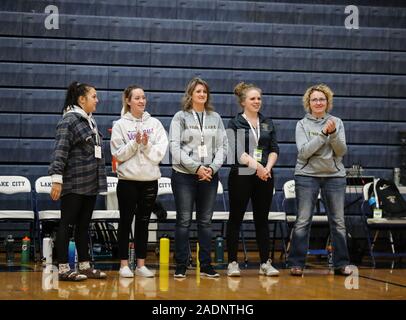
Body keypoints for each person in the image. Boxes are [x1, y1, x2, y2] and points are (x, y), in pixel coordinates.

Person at [287, 84, 352, 276]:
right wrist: (323, 134)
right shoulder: (302, 124)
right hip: (307, 176)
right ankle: (297, 263)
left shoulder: (337, 122)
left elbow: (341, 151)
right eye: (314, 99)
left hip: (335, 177)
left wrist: (332, 134)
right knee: (303, 220)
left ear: (327, 102)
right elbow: (304, 152)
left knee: (338, 221)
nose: (318, 102)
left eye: (322, 99)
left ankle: (341, 263)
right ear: (308, 102)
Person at [169, 78, 228, 278]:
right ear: (190, 95)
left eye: (204, 91)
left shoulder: (215, 118)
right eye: (198, 91)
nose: (202, 94)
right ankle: (182, 264)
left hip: (209, 175)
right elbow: (175, 148)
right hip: (184, 176)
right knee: (184, 221)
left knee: (205, 222)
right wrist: (196, 168)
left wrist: (211, 168)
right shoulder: (180, 117)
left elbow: (223, 147)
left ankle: (206, 264)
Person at [49, 81, 107, 281]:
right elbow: (60, 151)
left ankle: (84, 265)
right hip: (73, 183)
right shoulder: (69, 120)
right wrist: (57, 179)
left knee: (84, 225)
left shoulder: (89, 120)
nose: (97, 100)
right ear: (82, 99)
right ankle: (63, 268)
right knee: (67, 224)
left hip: (90, 183)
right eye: (94, 96)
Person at [110, 85, 168, 278]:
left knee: (144, 222)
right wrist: (135, 143)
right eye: (137, 98)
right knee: (126, 221)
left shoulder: (156, 124)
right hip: (128, 181)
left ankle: (141, 264)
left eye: (143, 97)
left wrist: (146, 143)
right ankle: (124, 264)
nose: (142, 101)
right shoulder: (119, 125)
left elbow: (159, 154)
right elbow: (118, 155)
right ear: (128, 101)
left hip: (149, 180)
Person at [226, 82, 280, 277]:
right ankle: (232, 262)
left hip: (265, 175)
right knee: (235, 219)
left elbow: (274, 149)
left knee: (261, 220)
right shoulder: (235, 122)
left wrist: (266, 168)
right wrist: (257, 167)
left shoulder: (267, 122)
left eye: (259, 98)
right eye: (252, 98)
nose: (257, 101)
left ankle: (265, 262)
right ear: (243, 102)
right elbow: (237, 152)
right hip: (242, 174)